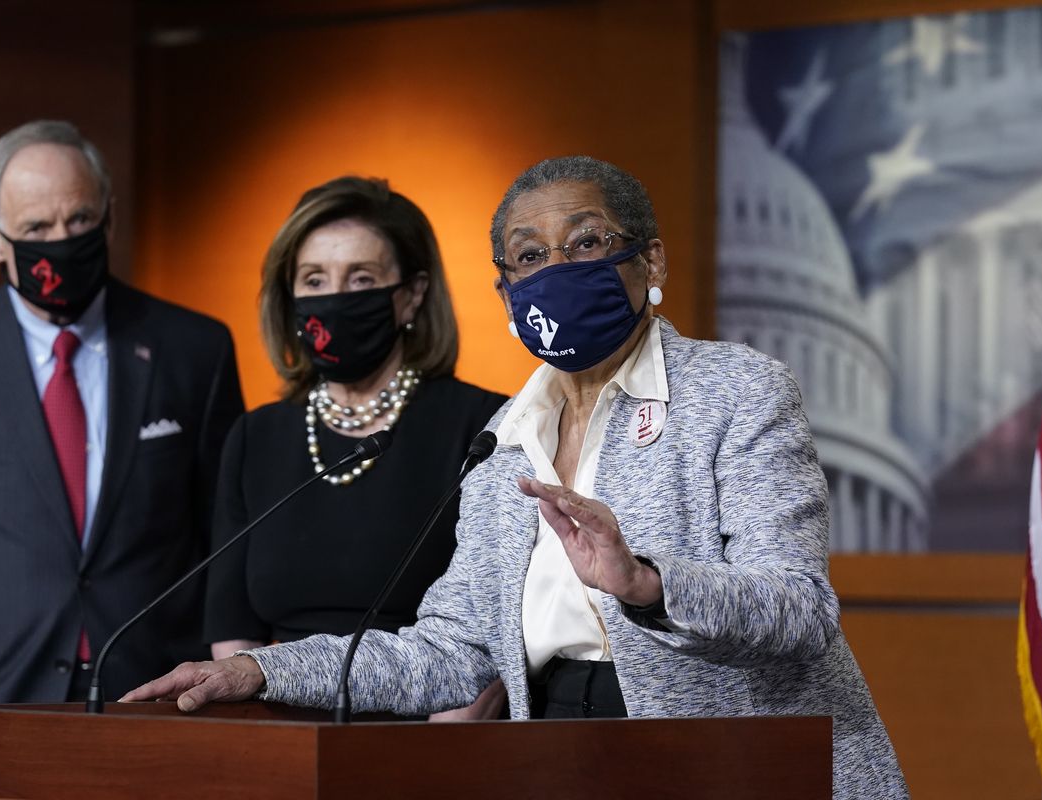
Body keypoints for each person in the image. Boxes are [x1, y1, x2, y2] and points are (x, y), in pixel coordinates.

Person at [123, 157, 908, 797]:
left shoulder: (737, 391)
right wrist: (262, 669)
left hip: (736, 764)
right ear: (507, 294)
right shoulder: (503, 443)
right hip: (561, 762)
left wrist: (647, 583)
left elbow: (799, 609)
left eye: (587, 243)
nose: (556, 270)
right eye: (530, 257)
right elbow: (451, 651)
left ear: (652, 258)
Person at [0, 120, 245, 704]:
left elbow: (227, 536)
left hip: (157, 692)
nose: (61, 240)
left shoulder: (194, 349)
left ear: (109, 217)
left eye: (79, 220)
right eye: (35, 226)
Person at [204, 177, 506, 710]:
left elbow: (502, 624)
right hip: (277, 735)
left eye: (360, 277)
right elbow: (232, 630)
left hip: (431, 729)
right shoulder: (256, 436)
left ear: (412, 294)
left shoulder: (484, 426)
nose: (334, 299)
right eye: (314, 280)